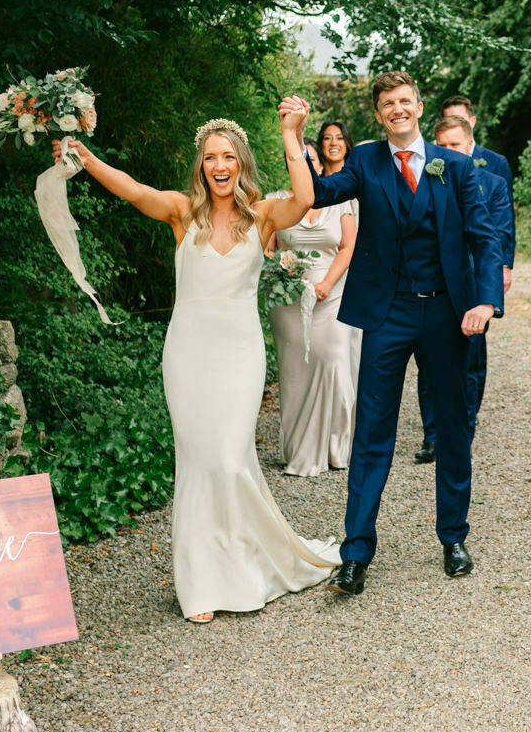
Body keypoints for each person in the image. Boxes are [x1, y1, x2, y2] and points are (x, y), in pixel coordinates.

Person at [53, 114, 339, 624]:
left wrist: (292, 137)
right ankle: (203, 584)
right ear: (201, 166)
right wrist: (87, 159)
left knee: (230, 458)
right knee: (198, 462)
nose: (219, 165)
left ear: (241, 163)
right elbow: (134, 191)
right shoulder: (183, 213)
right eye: (210, 157)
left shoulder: (263, 216)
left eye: (228, 156)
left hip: (240, 354)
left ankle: (248, 564)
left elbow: (304, 200)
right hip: (187, 354)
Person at [277, 73, 503, 595]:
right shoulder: (365, 162)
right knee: (372, 430)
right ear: (378, 115)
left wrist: (485, 299)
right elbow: (315, 194)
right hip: (386, 315)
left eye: (405, 101)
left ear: (419, 107)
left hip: (447, 314)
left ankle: (453, 538)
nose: (397, 110)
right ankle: (356, 552)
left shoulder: (459, 168)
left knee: (451, 427)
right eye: (387, 104)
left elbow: (484, 237)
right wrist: (293, 136)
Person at [415, 114, 513, 465]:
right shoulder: (422, 181)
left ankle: (463, 432)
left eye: (454, 145)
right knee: (427, 363)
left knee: (469, 364)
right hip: (431, 284)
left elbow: (499, 235)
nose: (448, 152)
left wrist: (500, 275)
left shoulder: (492, 182)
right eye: (441, 146)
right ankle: (432, 436)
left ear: (469, 146)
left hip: (472, 283)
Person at [267, 123, 360, 477]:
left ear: (320, 167)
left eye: (312, 160)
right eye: (299, 159)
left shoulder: (341, 200)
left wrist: (327, 283)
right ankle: (299, 450)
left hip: (332, 295)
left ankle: (337, 447)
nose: (306, 165)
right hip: (289, 300)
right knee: (294, 373)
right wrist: (281, 270)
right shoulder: (277, 202)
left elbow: (348, 246)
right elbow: (268, 247)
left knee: (334, 363)